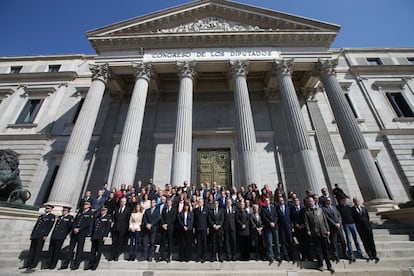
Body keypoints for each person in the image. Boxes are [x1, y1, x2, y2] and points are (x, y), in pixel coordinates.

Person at [20, 204, 55, 273]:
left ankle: (33, 264)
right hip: (35, 234)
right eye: (46, 208)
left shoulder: (51, 217)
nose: (46, 209)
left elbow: (49, 227)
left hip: (41, 235)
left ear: (51, 209)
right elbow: (36, 226)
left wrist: (46, 235)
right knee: (32, 249)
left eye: (48, 208)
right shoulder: (41, 216)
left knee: (37, 250)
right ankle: (28, 263)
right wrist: (32, 234)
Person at [304, 197, 334, 273]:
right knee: (318, 250)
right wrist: (308, 230)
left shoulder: (320, 210)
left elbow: (325, 220)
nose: (310, 202)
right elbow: (306, 222)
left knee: (325, 250)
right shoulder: (307, 212)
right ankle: (320, 265)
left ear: (314, 201)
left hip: (323, 232)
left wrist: (328, 229)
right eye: (309, 202)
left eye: (311, 201)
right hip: (315, 233)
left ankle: (329, 265)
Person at [61, 201, 94, 270]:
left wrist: (79, 229)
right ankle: (66, 263)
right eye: (84, 204)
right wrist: (74, 228)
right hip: (74, 233)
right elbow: (75, 221)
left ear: (89, 206)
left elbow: (87, 223)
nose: (85, 205)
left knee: (79, 249)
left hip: (82, 233)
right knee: (71, 248)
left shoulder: (90, 213)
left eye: (86, 204)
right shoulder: (80, 212)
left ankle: (76, 264)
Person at [351, 197, 379, 262]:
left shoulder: (364, 208)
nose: (356, 202)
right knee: (365, 241)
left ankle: (374, 254)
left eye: (357, 201)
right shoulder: (352, 210)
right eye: (355, 201)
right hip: (360, 228)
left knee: (371, 241)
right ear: (353, 202)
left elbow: (367, 217)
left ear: (359, 201)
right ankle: (369, 254)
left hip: (367, 227)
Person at [337, 197, 363, 261]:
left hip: (352, 224)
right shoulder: (338, 208)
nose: (343, 201)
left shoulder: (349, 207)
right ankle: (351, 253)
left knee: (356, 239)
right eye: (342, 200)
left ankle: (360, 252)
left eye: (344, 200)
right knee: (349, 240)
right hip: (345, 225)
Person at [261, 197, 281, 263]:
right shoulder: (263, 209)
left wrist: (274, 223)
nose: (267, 202)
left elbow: (276, 216)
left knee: (276, 242)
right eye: (265, 201)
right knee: (269, 242)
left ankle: (278, 255)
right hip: (268, 228)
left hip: (275, 227)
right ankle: (271, 255)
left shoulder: (273, 208)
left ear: (269, 201)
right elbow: (264, 217)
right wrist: (270, 223)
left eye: (268, 201)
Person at [111, 197, 131, 261]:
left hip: (123, 228)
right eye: (121, 201)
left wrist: (127, 228)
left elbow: (128, 219)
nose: (122, 202)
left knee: (120, 242)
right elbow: (114, 218)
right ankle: (113, 255)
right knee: (114, 242)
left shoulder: (128, 209)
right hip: (115, 228)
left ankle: (116, 255)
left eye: (124, 201)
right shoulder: (117, 209)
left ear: (125, 202)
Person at [290, 197, 308, 261]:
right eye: (295, 201)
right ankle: (303, 256)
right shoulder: (292, 209)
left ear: (299, 201)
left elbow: (306, 217)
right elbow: (292, 218)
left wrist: (303, 224)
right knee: (300, 243)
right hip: (297, 228)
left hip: (304, 227)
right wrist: (296, 224)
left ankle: (308, 256)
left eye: (297, 200)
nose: (296, 201)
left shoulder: (303, 208)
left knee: (306, 242)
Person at [276, 196, 292, 262]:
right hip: (281, 227)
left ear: (284, 201)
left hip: (288, 226)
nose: (281, 201)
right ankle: (286, 255)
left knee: (290, 241)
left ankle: (291, 255)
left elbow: (291, 216)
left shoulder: (288, 208)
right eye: (280, 200)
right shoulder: (277, 208)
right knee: (283, 241)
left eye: (282, 200)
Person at [194, 198, 209, 262]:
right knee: (198, 243)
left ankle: (204, 257)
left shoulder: (206, 209)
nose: (200, 203)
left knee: (204, 243)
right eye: (199, 202)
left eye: (201, 202)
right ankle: (198, 256)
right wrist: (194, 228)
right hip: (198, 229)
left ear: (203, 203)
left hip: (204, 228)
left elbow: (208, 219)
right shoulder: (196, 210)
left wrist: (208, 228)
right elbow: (194, 220)